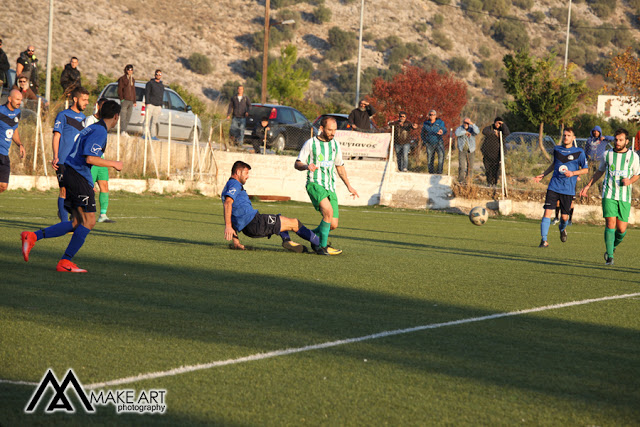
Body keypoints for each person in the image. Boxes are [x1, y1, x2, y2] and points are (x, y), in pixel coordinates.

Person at [21, 100, 123, 273]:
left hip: (71, 173)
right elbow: (90, 158)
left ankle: (32, 236)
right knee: (89, 221)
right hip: (77, 176)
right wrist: (114, 163)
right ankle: (65, 261)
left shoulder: (92, 127)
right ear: (116, 116)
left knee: (77, 222)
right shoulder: (100, 131)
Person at [223, 161, 321, 252]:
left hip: (251, 226)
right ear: (238, 172)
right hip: (255, 223)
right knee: (295, 223)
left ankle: (287, 240)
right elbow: (228, 204)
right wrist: (228, 226)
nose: (248, 176)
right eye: (246, 173)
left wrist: (236, 242)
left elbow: (230, 212)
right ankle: (320, 245)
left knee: (280, 218)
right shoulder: (234, 184)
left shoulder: (228, 187)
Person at [294, 116, 359, 255]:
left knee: (333, 224)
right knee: (328, 213)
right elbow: (297, 163)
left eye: (335, 130)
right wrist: (306, 166)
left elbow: (340, 166)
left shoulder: (335, 144)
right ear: (321, 129)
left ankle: (311, 235)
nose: (333, 133)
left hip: (330, 187)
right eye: (330, 130)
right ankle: (321, 247)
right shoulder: (310, 143)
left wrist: (349, 186)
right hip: (315, 184)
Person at [579, 128, 640, 266]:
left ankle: (612, 246)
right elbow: (600, 172)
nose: (617, 143)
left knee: (622, 230)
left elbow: (637, 173)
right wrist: (588, 185)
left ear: (626, 141)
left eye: (620, 140)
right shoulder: (607, 154)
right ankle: (610, 256)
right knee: (610, 223)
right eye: (616, 140)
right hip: (609, 194)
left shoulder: (633, 156)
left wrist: (629, 181)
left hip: (624, 197)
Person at [533, 127, 588, 248]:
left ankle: (562, 229)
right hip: (554, 186)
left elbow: (585, 170)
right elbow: (554, 164)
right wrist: (543, 175)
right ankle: (544, 240)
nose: (566, 137)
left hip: (568, 189)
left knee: (564, 218)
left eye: (568, 135)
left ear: (573, 138)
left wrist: (573, 173)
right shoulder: (557, 149)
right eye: (564, 135)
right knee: (547, 212)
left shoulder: (579, 152)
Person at [52, 86, 89, 222]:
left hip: (77, 163)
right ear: (75, 99)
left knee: (77, 193)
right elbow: (57, 136)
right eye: (84, 99)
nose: (86, 103)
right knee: (64, 190)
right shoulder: (63, 115)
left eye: (87, 100)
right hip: (63, 161)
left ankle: (73, 219)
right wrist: (55, 156)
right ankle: (63, 222)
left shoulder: (85, 119)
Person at [85, 97, 115, 223]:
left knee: (104, 185)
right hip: (91, 160)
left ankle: (103, 215)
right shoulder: (90, 120)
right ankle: (82, 214)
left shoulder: (104, 123)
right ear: (97, 106)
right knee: (87, 188)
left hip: (100, 160)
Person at [0, 90, 27, 193]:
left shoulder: (17, 113)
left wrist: (20, 144)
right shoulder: (1, 111)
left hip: (4, 154)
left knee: (3, 186)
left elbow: (14, 130)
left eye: (21, 100)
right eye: (17, 99)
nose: (19, 102)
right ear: (10, 99)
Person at [481, 117, 510, 186]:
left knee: (496, 170)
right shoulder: (489, 128)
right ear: (494, 122)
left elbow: (507, 133)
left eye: (500, 123)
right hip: (487, 153)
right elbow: (484, 132)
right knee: (488, 169)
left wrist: (503, 125)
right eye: (497, 123)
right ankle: (489, 182)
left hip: (497, 154)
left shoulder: (502, 130)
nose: (498, 125)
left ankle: (494, 183)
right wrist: (494, 132)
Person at [420, 110, 447, 174]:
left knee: (441, 157)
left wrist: (442, 131)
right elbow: (422, 133)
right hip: (429, 144)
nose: (432, 116)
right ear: (428, 116)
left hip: (438, 143)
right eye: (430, 115)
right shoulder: (425, 123)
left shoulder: (440, 122)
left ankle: (439, 172)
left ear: (436, 115)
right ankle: (431, 173)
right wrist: (425, 142)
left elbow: (444, 129)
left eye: (433, 115)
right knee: (430, 159)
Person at [455, 117, 480, 183]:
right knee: (462, 166)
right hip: (462, 150)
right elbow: (457, 133)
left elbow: (477, 131)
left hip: (471, 150)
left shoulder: (472, 129)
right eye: (465, 122)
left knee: (470, 167)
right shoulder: (460, 128)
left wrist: (472, 124)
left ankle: (468, 180)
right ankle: (461, 180)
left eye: (467, 123)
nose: (466, 124)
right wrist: (465, 132)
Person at [117, 64, 136, 136]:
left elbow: (133, 90)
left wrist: (134, 101)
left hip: (131, 101)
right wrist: (122, 99)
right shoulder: (122, 79)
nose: (130, 71)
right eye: (128, 69)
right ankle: (122, 131)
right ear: (126, 70)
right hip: (125, 100)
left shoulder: (132, 79)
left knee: (128, 116)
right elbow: (120, 90)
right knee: (123, 116)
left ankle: (125, 130)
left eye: (131, 70)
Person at [145, 69, 164, 141]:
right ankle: (145, 134)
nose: (158, 76)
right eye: (157, 74)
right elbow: (147, 93)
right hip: (151, 104)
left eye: (159, 74)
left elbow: (162, 95)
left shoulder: (161, 85)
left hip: (157, 105)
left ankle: (153, 135)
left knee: (154, 122)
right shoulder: (150, 83)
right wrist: (147, 103)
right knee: (147, 120)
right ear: (154, 75)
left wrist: (160, 105)